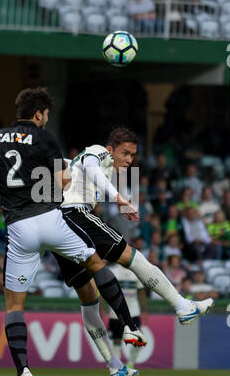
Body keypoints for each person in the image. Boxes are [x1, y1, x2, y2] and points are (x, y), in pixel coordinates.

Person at [0, 88, 145, 376]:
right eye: (46, 115)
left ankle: (24, 370)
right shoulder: (45, 138)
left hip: (19, 228)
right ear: (40, 113)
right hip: (52, 220)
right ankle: (129, 326)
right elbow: (64, 181)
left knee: (14, 306)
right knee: (98, 264)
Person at [52, 126, 214, 351]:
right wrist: (118, 198)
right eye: (125, 153)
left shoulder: (89, 165)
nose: (129, 160)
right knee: (135, 259)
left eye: (132, 155)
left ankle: (117, 357)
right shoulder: (98, 151)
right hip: (76, 215)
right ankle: (180, 307)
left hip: (65, 222)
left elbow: (68, 167)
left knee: (93, 290)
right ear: (110, 149)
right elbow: (90, 167)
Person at [100, 262, 148, 376]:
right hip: (115, 312)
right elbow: (103, 291)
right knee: (117, 340)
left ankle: (130, 364)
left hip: (134, 311)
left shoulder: (135, 270)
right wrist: (101, 308)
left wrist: (145, 309)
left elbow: (141, 291)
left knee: (138, 341)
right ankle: (119, 369)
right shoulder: (112, 270)